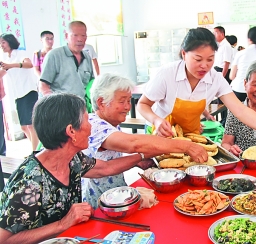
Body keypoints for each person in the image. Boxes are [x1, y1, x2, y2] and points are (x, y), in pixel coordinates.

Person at [0, 94, 199, 243]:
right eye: (87, 121)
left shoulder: (72, 159)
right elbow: (5, 239)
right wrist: (64, 223)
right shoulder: (30, 182)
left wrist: (144, 155)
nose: (91, 127)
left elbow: (106, 168)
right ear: (71, 132)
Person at [137, 27, 256, 144]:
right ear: (184, 54)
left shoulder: (215, 79)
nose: (204, 66)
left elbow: (241, 110)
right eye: (198, 59)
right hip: (160, 133)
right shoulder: (167, 74)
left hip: (189, 136)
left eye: (210, 59)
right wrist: (156, 120)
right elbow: (143, 104)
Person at [81, 73, 208, 208]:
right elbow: (134, 143)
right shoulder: (94, 125)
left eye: (129, 101)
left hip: (117, 197)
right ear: (101, 103)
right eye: (122, 101)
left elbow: (111, 161)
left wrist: (140, 159)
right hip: (97, 204)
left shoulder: (111, 123)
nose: (127, 107)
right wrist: (186, 146)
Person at [0, 33, 39, 152]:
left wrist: (11, 66)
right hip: (18, 94)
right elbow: (2, 73)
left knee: (31, 125)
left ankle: (35, 152)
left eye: (3, 42)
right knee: (23, 127)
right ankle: (36, 148)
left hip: (29, 91)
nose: (1, 45)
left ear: (10, 42)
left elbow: (29, 64)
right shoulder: (6, 59)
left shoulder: (20, 53)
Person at [40, 21, 94, 99]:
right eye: (75, 35)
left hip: (81, 106)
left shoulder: (87, 57)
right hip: (60, 107)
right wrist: (53, 104)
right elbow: (43, 85)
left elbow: (90, 84)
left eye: (83, 35)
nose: (80, 39)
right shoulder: (54, 55)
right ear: (66, 36)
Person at [230, 26, 256, 102]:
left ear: (249, 39)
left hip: (238, 90)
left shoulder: (240, 53)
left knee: (237, 113)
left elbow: (231, 76)